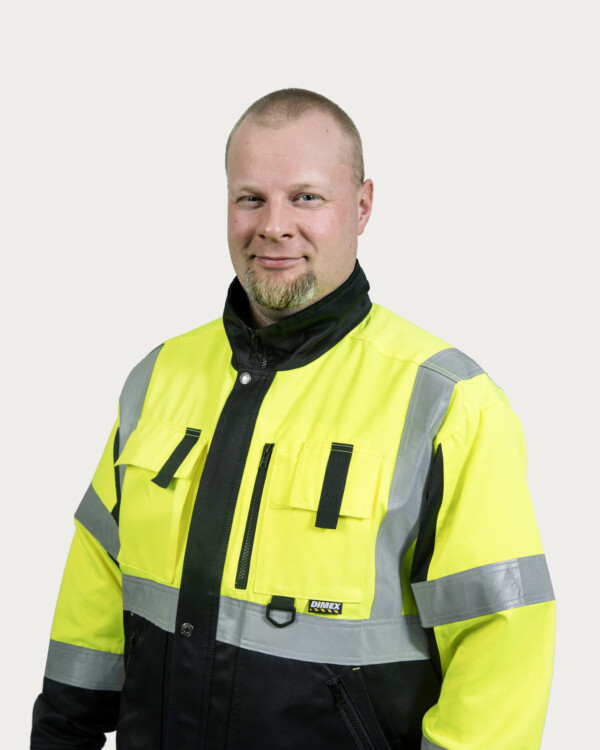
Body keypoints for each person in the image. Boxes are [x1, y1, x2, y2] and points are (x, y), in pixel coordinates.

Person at [31, 88, 555, 750]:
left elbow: (500, 649)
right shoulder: (158, 377)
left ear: (361, 207)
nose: (273, 225)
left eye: (306, 197)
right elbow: (94, 598)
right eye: (250, 198)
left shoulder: (447, 402)